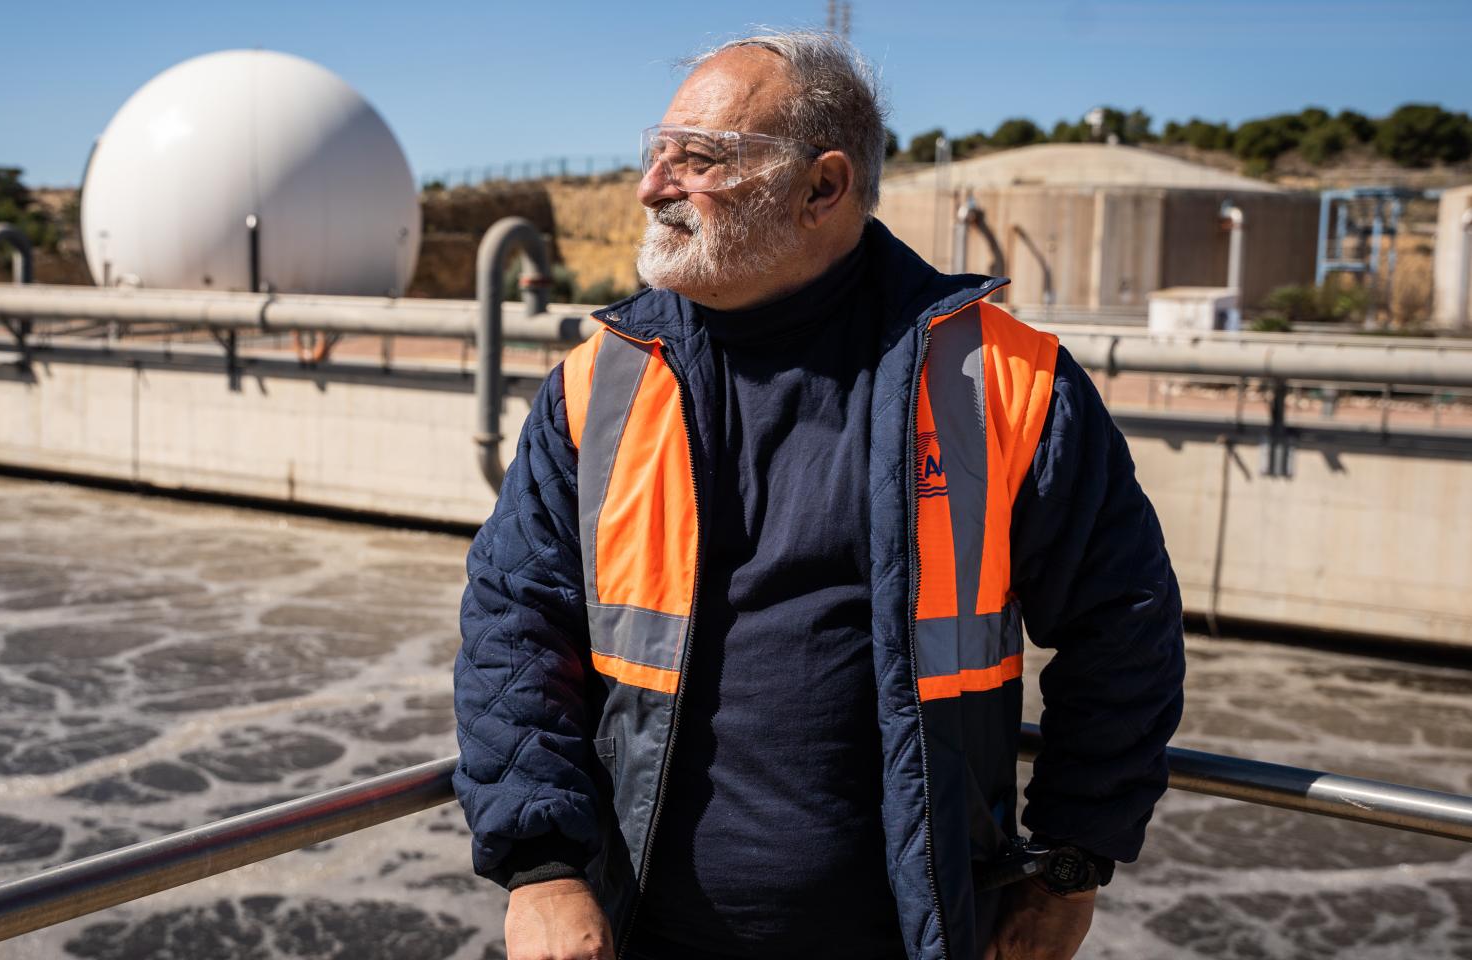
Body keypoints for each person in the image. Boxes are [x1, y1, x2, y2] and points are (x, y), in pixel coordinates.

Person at [453, 29, 1184, 960]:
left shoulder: (1003, 382)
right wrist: (543, 867)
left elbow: (1124, 624)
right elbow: (514, 626)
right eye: (656, 153)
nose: (653, 187)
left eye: (699, 159)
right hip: (638, 930)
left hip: (908, 936)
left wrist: (1071, 864)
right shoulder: (601, 383)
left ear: (823, 187)